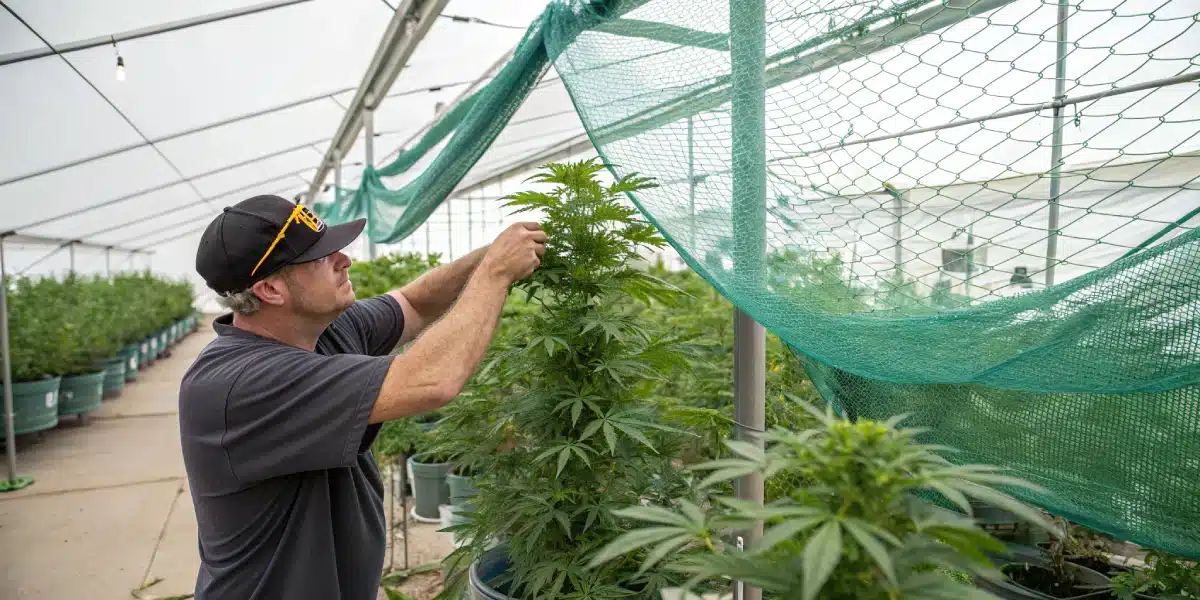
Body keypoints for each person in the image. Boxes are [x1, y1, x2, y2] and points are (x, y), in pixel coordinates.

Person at [179, 194, 545, 599]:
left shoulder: (318, 330)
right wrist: (494, 273)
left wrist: (489, 254)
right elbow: (432, 380)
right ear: (270, 289)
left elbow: (413, 301)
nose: (344, 259)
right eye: (319, 257)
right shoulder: (240, 385)